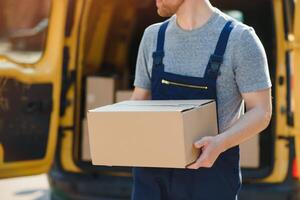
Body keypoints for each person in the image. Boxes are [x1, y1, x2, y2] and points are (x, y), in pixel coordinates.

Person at [130, 0, 272, 199]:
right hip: (152, 178)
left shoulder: (239, 39)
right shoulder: (153, 36)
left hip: (210, 179)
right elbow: (139, 100)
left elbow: (261, 111)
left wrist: (220, 143)